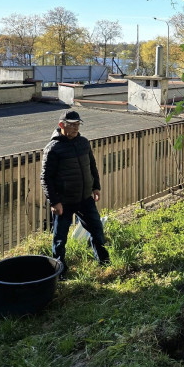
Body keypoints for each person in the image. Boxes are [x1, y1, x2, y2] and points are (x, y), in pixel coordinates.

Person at [40, 109, 109, 278]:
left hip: (85, 198)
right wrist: (54, 202)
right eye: (71, 125)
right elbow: (45, 178)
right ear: (61, 125)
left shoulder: (83, 143)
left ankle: (104, 263)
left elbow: (92, 166)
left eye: (78, 124)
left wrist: (96, 187)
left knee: (97, 229)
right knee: (59, 239)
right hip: (64, 201)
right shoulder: (53, 148)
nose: (75, 128)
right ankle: (59, 272)